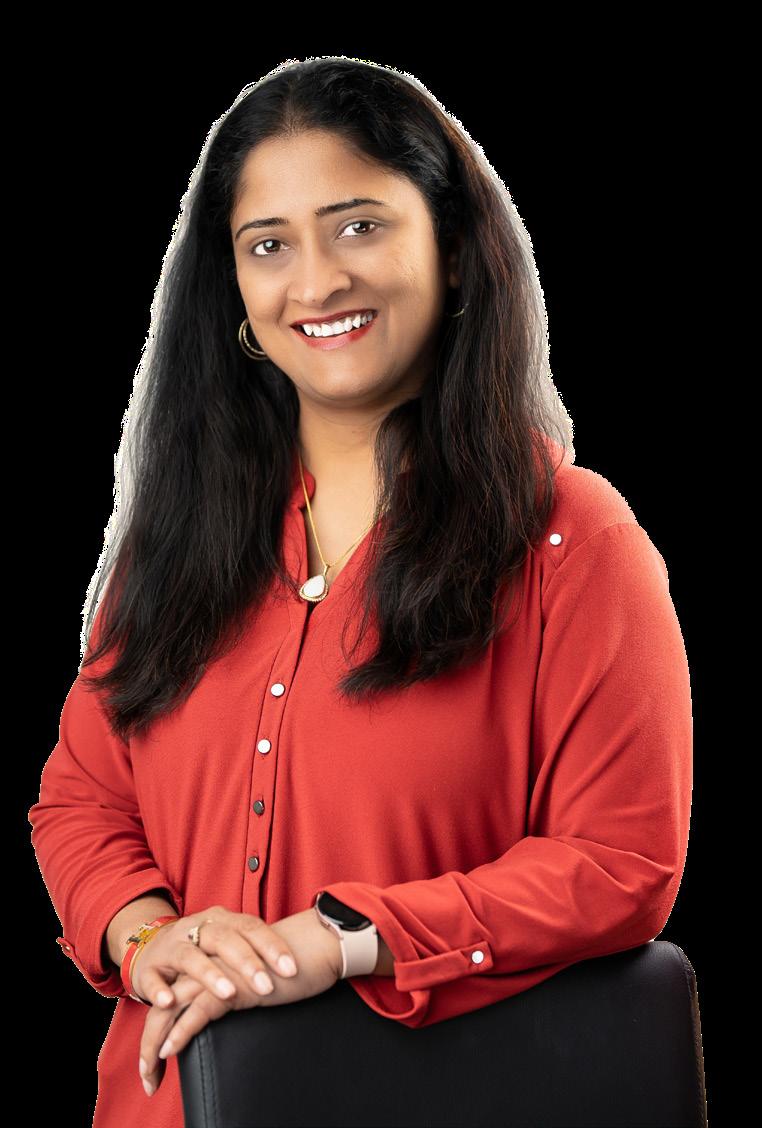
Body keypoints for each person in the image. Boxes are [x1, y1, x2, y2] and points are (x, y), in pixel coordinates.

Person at [27, 59, 693, 1128]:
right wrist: (149, 933)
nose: (317, 281)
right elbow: (84, 800)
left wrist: (340, 940)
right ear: (234, 292)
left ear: (453, 248)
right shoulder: (180, 538)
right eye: (269, 245)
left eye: (360, 227)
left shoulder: (572, 542)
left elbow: (621, 864)